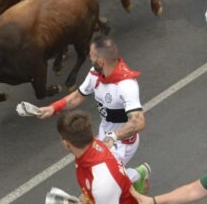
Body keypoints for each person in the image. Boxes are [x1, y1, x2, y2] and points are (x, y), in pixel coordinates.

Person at [39, 36, 150, 195]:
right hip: (105, 135)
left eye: (91, 56)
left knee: (102, 178)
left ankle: (135, 176)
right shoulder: (95, 74)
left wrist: (114, 136)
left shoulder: (126, 85)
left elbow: (139, 123)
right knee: (98, 174)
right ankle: (134, 176)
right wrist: (53, 108)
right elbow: (78, 96)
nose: (89, 58)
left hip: (123, 143)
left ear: (101, 62)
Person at [56, 111, 138, 204]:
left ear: (66, 143)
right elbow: (107, 143)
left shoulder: (101, 184)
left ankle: (136, 175)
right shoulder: (93, 145)